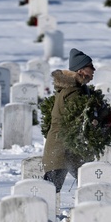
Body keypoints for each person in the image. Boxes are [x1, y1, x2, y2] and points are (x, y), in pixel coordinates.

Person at [43, 48, 96, 192]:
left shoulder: (76, 89)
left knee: (89, 183)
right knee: (50, 191)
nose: (94, 69)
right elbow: (77, 120)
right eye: (90, 66)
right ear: (80, 70)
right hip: (61, 148)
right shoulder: (73, 92)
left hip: (69, 148)